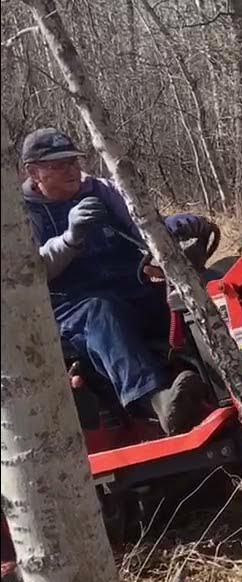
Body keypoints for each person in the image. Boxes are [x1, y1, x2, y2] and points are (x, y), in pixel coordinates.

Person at [21, 127, 217, 436]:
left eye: (73, 161)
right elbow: (31, 272)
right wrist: (71, 238)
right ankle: (158, 403)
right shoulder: (21, 214)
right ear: (33, 172)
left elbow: (142, 226)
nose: (71, 170)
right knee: (102, 313)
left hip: (132, 287)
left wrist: (171, 226)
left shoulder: (101, 190)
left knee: (194, 292)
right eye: (58, 165)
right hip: (74, 306)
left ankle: (223, 378)